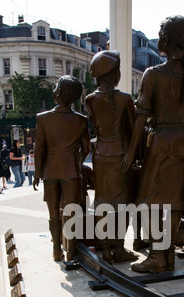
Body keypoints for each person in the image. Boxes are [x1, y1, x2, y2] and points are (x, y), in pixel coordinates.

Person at [121, 15, 184, 272]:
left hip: (160, 142)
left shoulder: (153, 74)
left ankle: (158, 256)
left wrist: (131, 152)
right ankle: (167, 255)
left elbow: (141, 118)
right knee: (175, 202)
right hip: (183, 142)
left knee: (148, 201)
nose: (158, 39)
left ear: (167, 39)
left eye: (160, 34)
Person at [86, 50, 138, 264]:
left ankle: (106, 250)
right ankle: (119, 247)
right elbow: (133, 129)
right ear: (113, 73)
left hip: (100, 154)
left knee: (102, 202)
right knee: (123, 203)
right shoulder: (125, 99)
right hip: (121, 154)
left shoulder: (90, 100)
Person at [33, 75, 90, 262]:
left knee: (53, 213)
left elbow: (39, 150)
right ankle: (71, 250)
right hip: (72, 172)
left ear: (57, 92)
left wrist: (37, 173)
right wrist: (76, 161)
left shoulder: (43, 119)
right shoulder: (81, 120)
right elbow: (86, 148)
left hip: (50, 172)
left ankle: (56, 249)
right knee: (72, 211)